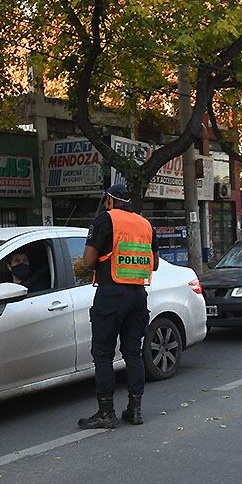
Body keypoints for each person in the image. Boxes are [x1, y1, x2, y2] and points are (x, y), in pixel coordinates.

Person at [78, 182, 159, 429]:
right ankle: (135, 410)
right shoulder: (145, 224)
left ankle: (106, 413)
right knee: (133, 353)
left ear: (110, 200)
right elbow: (153, 264)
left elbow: (89, 261)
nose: (105, 205)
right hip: (137, 295)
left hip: (111, 294)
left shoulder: (105, 220)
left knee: (103, 354)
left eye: (105, 201)